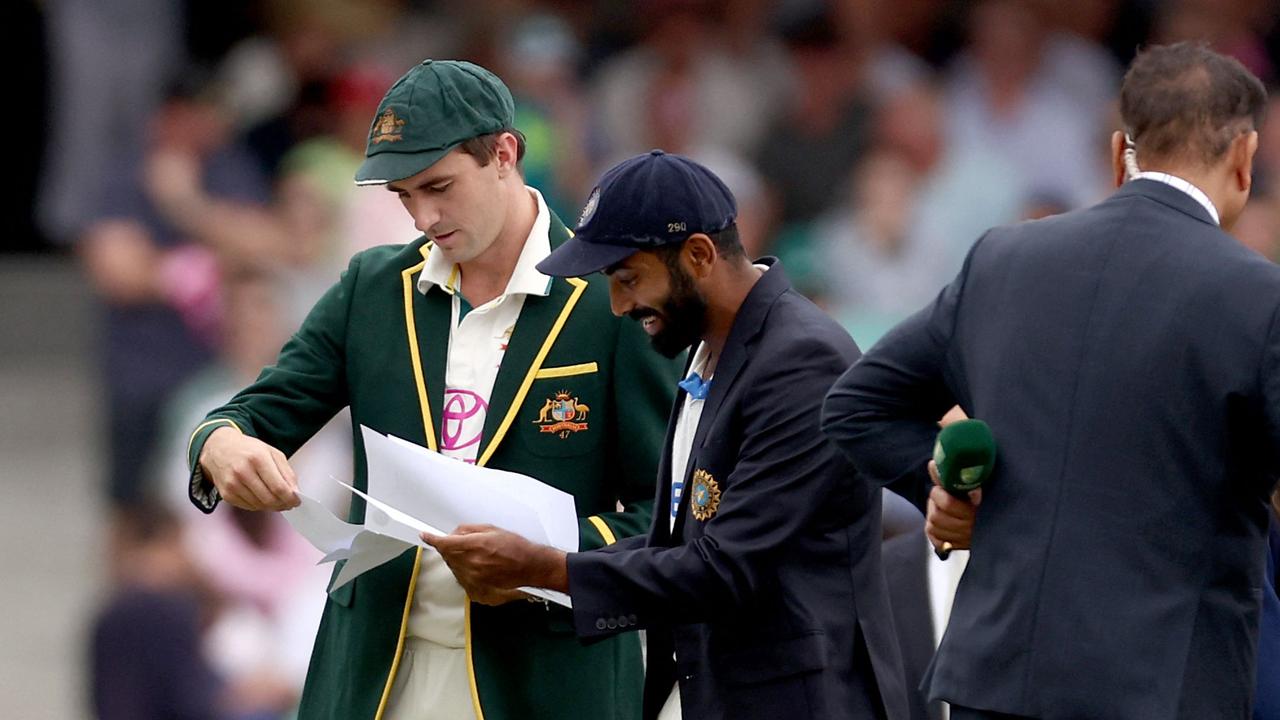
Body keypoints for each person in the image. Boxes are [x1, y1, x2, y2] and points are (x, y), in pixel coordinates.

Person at [185, 60, 680, 720]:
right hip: (376, 680)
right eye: (404, 195)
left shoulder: (609, 298)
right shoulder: (372, 287)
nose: (423, 216)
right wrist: (220, 445)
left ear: (505, 154)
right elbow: (249, 414)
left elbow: (669, 521)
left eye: (439, 187)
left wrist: (546, 562)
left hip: (546, 686)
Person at [821, 42, 1278, 719]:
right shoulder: (1258, 297)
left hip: (996, 684)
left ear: (1122, 147)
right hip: (1164, 693)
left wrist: (946, 489)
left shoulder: (1004, 258)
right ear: (1245, 157)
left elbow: (857, 406)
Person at [425, 150, 909, 720]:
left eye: (629, 278)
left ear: (698, 254)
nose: (618, 305)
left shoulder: (802, 361)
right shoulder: (708, 349)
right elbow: (677, 544)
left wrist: (546, 569)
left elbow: (725, 568)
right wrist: (543, 569)